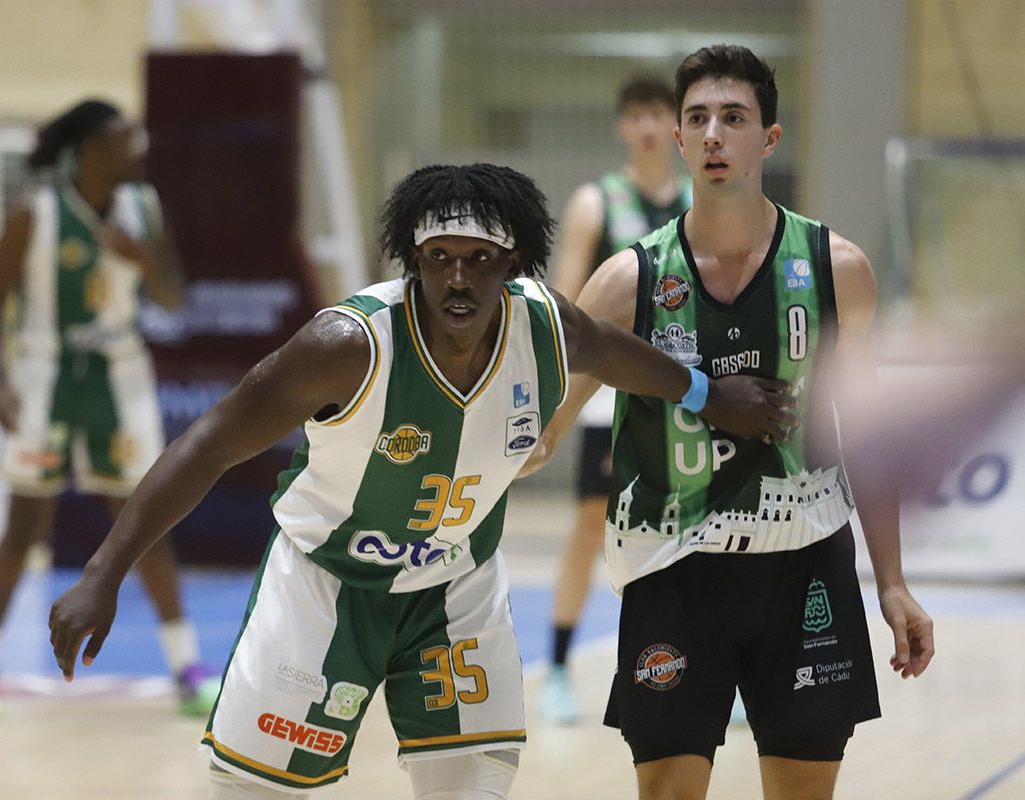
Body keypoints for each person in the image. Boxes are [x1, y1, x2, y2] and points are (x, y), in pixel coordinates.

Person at [46, 163, 795, 799]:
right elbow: (210, 442)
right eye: (440, 257)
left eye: (478, 258)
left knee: (474, 783)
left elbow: (613, 351)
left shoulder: (547, 327)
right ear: (413, 258)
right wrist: (105, 571)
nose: (458, 277)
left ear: (512, 264)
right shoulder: (346, 345)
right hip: (326, 586)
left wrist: (706, 394)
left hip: (453, 588)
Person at [523, 45, 935, 799]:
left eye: (734, 118)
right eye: (698, 119)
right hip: (673, 569)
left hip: (806, 563)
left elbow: (870, 438)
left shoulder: (837, 269)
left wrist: (896, 582)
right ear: (679, 139)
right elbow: (547, 423)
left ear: (768, 139)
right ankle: (554, 665)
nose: (713, 133)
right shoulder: (626, 281)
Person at [0, 99, 216, 720]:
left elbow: (175, 298)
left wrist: (144, 260)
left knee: (145, 524)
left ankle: (188, 666)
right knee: (23, 529)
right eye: (126, 142)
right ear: (90, 151)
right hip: (45, 373)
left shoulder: (144, 209)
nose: (138, 152)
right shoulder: (35, 212)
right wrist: (0, 377)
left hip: (119, 375)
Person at [538, 76, 693, 724]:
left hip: (683, 388)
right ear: (624, 127)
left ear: (675, 127)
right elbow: (566, 302)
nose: (650, 127)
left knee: (696, 528)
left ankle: (711, 667)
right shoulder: (596, 201)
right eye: (638, 116)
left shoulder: (698, 200)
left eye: (660, 114)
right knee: (589, 523)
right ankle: (558, 667)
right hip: (609, 393)